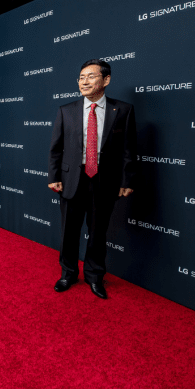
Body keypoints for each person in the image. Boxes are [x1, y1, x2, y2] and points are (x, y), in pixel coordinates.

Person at [48, 59, 136, 300]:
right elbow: (56, 148)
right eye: (81, 77)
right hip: (71, 180)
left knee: (98, 233)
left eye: (90, 76)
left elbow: (129, 149)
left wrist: (126, 181)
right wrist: (54, 176)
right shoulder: (66, 110)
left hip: (104, 182)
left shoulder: (124, 110)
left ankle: (95, 277)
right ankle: (68, 273)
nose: (84, 81)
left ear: (106, 80)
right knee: (68, 231)